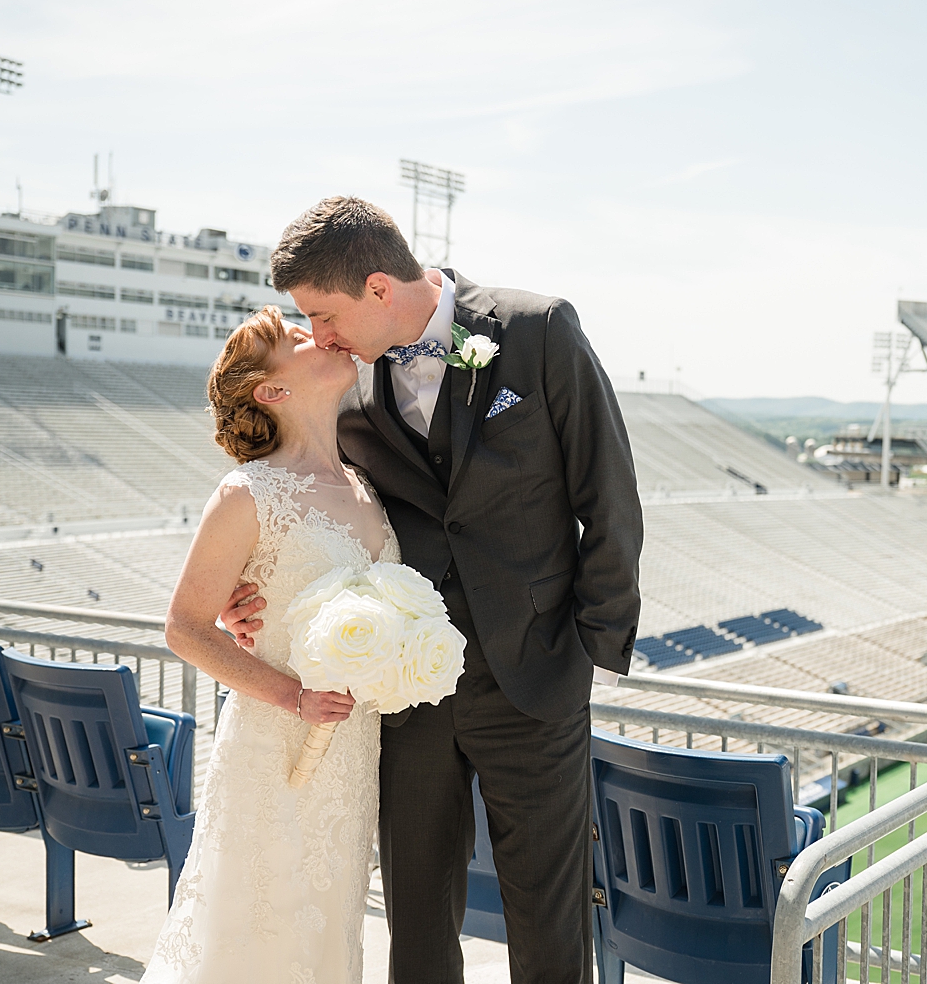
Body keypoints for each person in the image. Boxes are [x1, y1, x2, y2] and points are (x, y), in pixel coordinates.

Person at [220, 197, 643, 984]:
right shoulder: (342, 389)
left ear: (379, 288)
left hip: (536, 681)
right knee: (415, 918)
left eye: (322, 313)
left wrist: (593, 651)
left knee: (548, 926)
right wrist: (249, 588)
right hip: (406, 689)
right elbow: (292, 492)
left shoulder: (540, 329)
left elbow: (609, 499)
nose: (317, 335)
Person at [143, 305, 398, 983]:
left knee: (325, 934)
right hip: (273, 751)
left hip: (353, 758)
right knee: (255, 932)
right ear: (272, 391)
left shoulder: (366, 487)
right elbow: (184, 626)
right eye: (296, 337)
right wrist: (295, 695)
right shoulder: (246, 493)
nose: (319, 334)